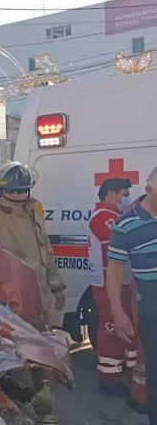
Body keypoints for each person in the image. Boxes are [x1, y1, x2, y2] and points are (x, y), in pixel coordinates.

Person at [0, 161, 64, 424]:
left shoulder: (34, 214)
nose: (17, 195)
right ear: (0, 190)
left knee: (43, 360)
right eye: (12, 190)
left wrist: (57, 287)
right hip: (10, 307)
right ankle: (21, 412)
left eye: (22, 190)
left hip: (41, 301)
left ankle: (44, 411)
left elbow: (46, 253)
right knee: (18, 363)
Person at [108, 166, 157, 425]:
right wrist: (118, 312)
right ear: (150, 189)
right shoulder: (126, 223)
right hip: (153, 309)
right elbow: (114, 271)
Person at [87, 179, 144, 400]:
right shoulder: (102, 217)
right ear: (111, 195)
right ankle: (109, 378)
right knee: (111, 330)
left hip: (123, 282)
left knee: (128, 329)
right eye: (124, 194)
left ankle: (127, 372)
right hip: (107, 284)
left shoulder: (115, 217)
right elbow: (121, 242)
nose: (126, 198)